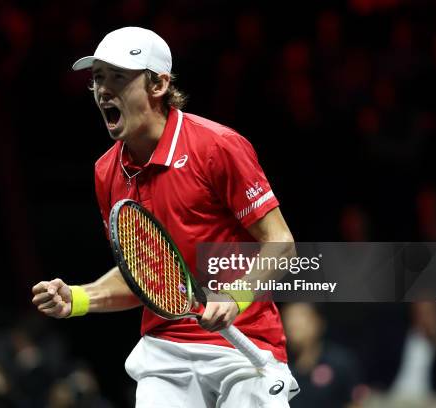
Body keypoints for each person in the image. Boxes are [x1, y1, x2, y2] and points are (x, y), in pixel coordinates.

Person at [32, 26, 299, 407]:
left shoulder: (217, 147)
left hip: (244, 351)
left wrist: (235, 297)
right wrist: (76, 298)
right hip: (165, 355)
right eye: (97, 79)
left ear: (158, 85)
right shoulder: (106, 172)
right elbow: (144, 275)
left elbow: (280, 243)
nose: (103, 90)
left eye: (118, 77)